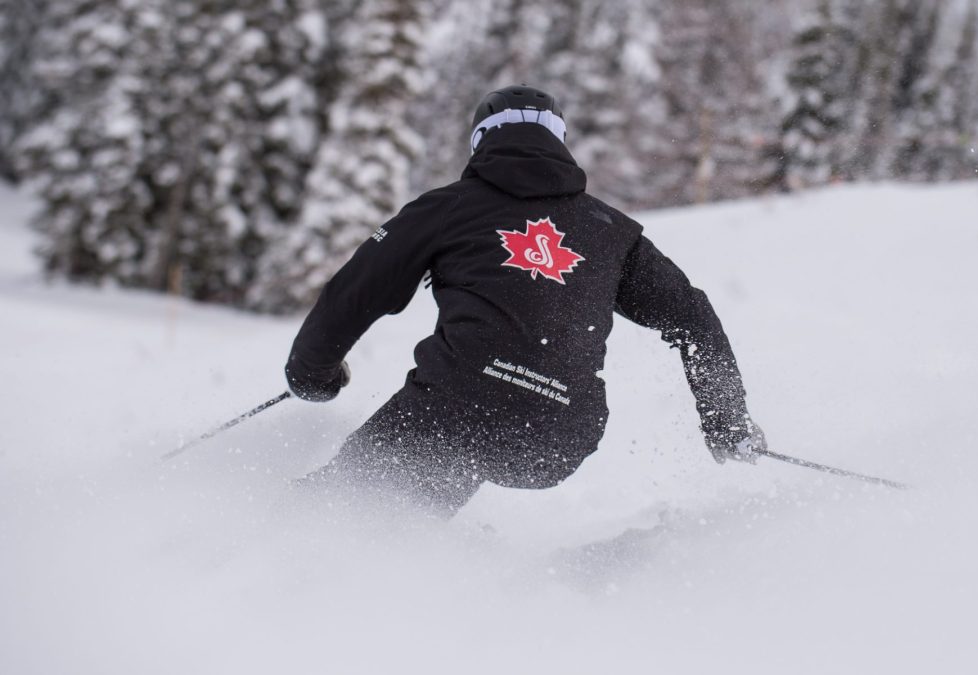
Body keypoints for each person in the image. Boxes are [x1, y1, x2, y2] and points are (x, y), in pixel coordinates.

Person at [285, 84, 766, 516]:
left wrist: (312, 376)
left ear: (480, 142)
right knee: (419, 497)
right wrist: (726, 420)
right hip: (559, 436)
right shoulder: (613, 231)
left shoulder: (447, 207)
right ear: (559, 140)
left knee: (335, 515)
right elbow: (695, 319)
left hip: (460, 404)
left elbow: (354, 293)